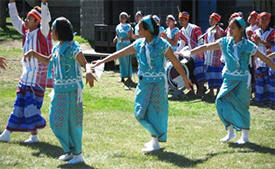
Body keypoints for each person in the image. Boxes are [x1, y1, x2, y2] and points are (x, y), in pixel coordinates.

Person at [90, 15, 192, 152]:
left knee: (155, 113)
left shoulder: (162, 44)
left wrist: (185, 79)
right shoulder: (139, 44)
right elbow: (120, 53)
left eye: (140, 27)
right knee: (139, 113)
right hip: (144, 83)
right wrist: (102, 61)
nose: (137, 28)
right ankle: (156, 137)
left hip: (158, 83)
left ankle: (155, 140)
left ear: (147, 30)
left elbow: (175, 62)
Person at [176, 17, 275, 144]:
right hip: (228, 78)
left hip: (242, 80)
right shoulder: (224, 42)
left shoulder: (247, 45)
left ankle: (245, 135)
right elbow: (206, 47)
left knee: (242, 107)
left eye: (233, 27)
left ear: (240, 29)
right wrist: (190, 52)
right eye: (229, 27)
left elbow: (265, 59)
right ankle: (230, 131)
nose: (230, 29)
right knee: (220, 101)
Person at [24, 17, 96, 164]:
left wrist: (88, 72)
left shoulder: (73, 47)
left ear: (59, 32)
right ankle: (70, 150)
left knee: (73, 123)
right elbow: (48, 60)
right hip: (59, 90)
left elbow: (85, 63)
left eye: (52, 30)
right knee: (55, 121)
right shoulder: (57, 47)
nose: (50, 33)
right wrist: (33, 52)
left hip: (72, 92)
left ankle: (78, 154)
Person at [0, 0, 52, 143]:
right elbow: (15, 19)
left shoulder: (42, 33)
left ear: (37, 22)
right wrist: (11, 3)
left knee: (32, 108)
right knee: (19, 105)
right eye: (27, 18)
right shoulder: (26, 31)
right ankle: (8, 133)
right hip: (25, 77)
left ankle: (31, 135)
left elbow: (46, 20)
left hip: (38, 79)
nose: (26, 20)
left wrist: (44, 5)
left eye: (29, 18)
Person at [177, 11, 205, 97]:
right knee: (188, 71)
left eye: (182, 19)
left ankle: (201, 90)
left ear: (186, 20)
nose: (181, 21)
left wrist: (199, 53)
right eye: (180, 20)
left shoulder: (195, 28)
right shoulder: (181, 31)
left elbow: (201, 42)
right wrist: (177, 53)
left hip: (198, 53)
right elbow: (182, 44)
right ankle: (191, 90)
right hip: (190, 54)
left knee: (198, 72)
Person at [252, 12, 275, 106]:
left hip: (269, 61)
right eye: (262, 19)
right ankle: (260, 99)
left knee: (270, 81)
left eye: (266, 19)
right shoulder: (255, 32)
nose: (264, 21)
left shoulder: (273, 32)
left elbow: (272, 44)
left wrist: (260, 40)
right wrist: (257, 42)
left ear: (269, 21)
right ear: (259, 20)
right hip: (258, 60)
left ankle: (272, 100)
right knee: (259, 81)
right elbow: (254, 46)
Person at [203, 13, 226, 98]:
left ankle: (219, 90)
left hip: (217, 55)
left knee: (217, 73)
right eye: (210, 19)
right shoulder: (208, 30)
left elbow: (221, 40)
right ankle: (211, 90)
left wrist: (217, 30)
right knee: (209, 72)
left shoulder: (220, 30)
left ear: (217, 21)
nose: (210, 21)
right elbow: (205, 41)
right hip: (209, 54)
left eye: (212, 19)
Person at [113, 12, 133, 85]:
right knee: (121, 61)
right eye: (121, 17)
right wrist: (115, 38)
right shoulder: (118, 26)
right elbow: (117, 35)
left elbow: (131, 37)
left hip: (127, 45)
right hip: (119, 45)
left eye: (123, 17)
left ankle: (129, 76)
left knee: (127, 61)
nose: (122, 19)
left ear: (126, 18)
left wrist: (124, 39)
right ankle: (122, 76)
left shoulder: (129, 26)